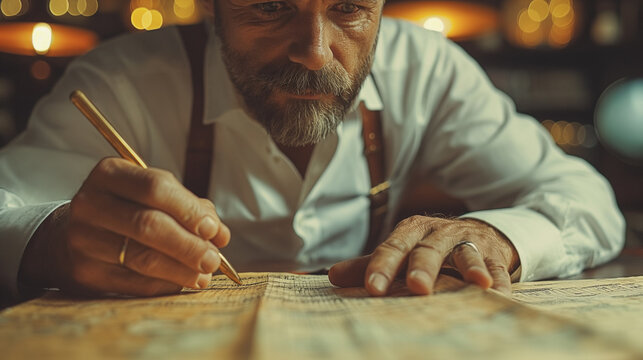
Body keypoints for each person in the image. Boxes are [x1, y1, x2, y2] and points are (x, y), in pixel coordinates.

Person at [0, 0, 625, 302]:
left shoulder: (426, 71)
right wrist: (52, 242)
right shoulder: (122, 82)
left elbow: (588, 201)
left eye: (349, 9)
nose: (315, 52)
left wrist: (499, 237)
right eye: (271, 8)